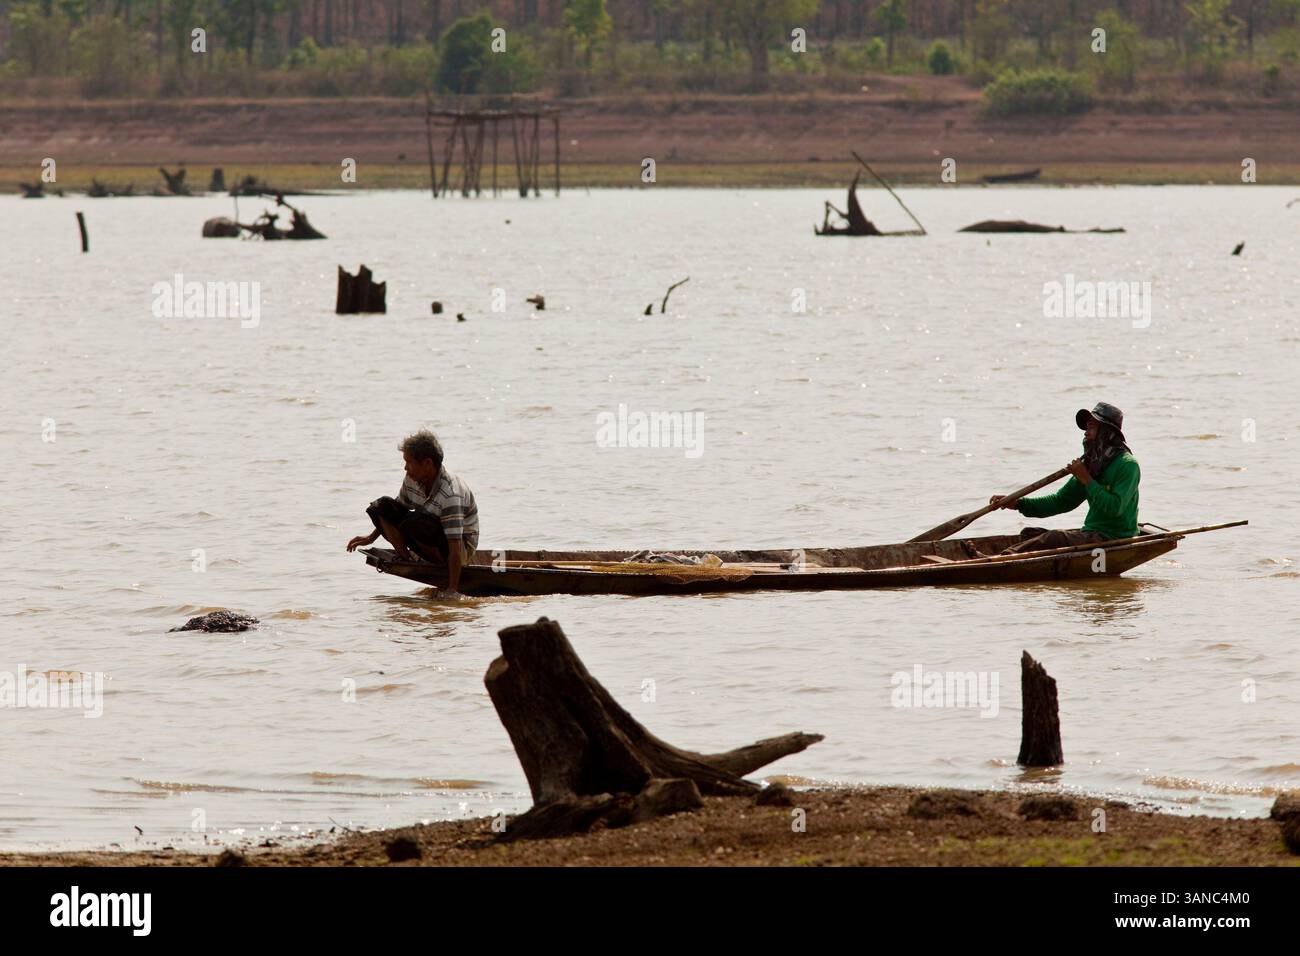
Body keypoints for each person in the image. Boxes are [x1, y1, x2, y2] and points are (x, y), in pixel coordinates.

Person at [978, 402, 1140, 556]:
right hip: (1092, 534)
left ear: (1107, 433)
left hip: (1115, 538)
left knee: (1055, 538)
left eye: (1091, 427)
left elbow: (1115, 508)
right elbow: (1060, 502)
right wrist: (1018, 503)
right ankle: (1003, 556)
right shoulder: (1092, 464)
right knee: (1029, 534)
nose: (1085, 433)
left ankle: (1000, 558)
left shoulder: (1127, 465)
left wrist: (1087, 480)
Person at [346, 430, 479, 592]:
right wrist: (371, 537)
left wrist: (452, 590)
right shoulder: (412, 479)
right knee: (381, 507)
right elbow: (393, 512)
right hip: (428, 535)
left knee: (414, 522)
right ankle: (407, 559)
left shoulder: (451, 493)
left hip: (460, 548)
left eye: (409, 462)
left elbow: (455, 545)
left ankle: (437, 564)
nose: (405, 468)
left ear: (427, 463)